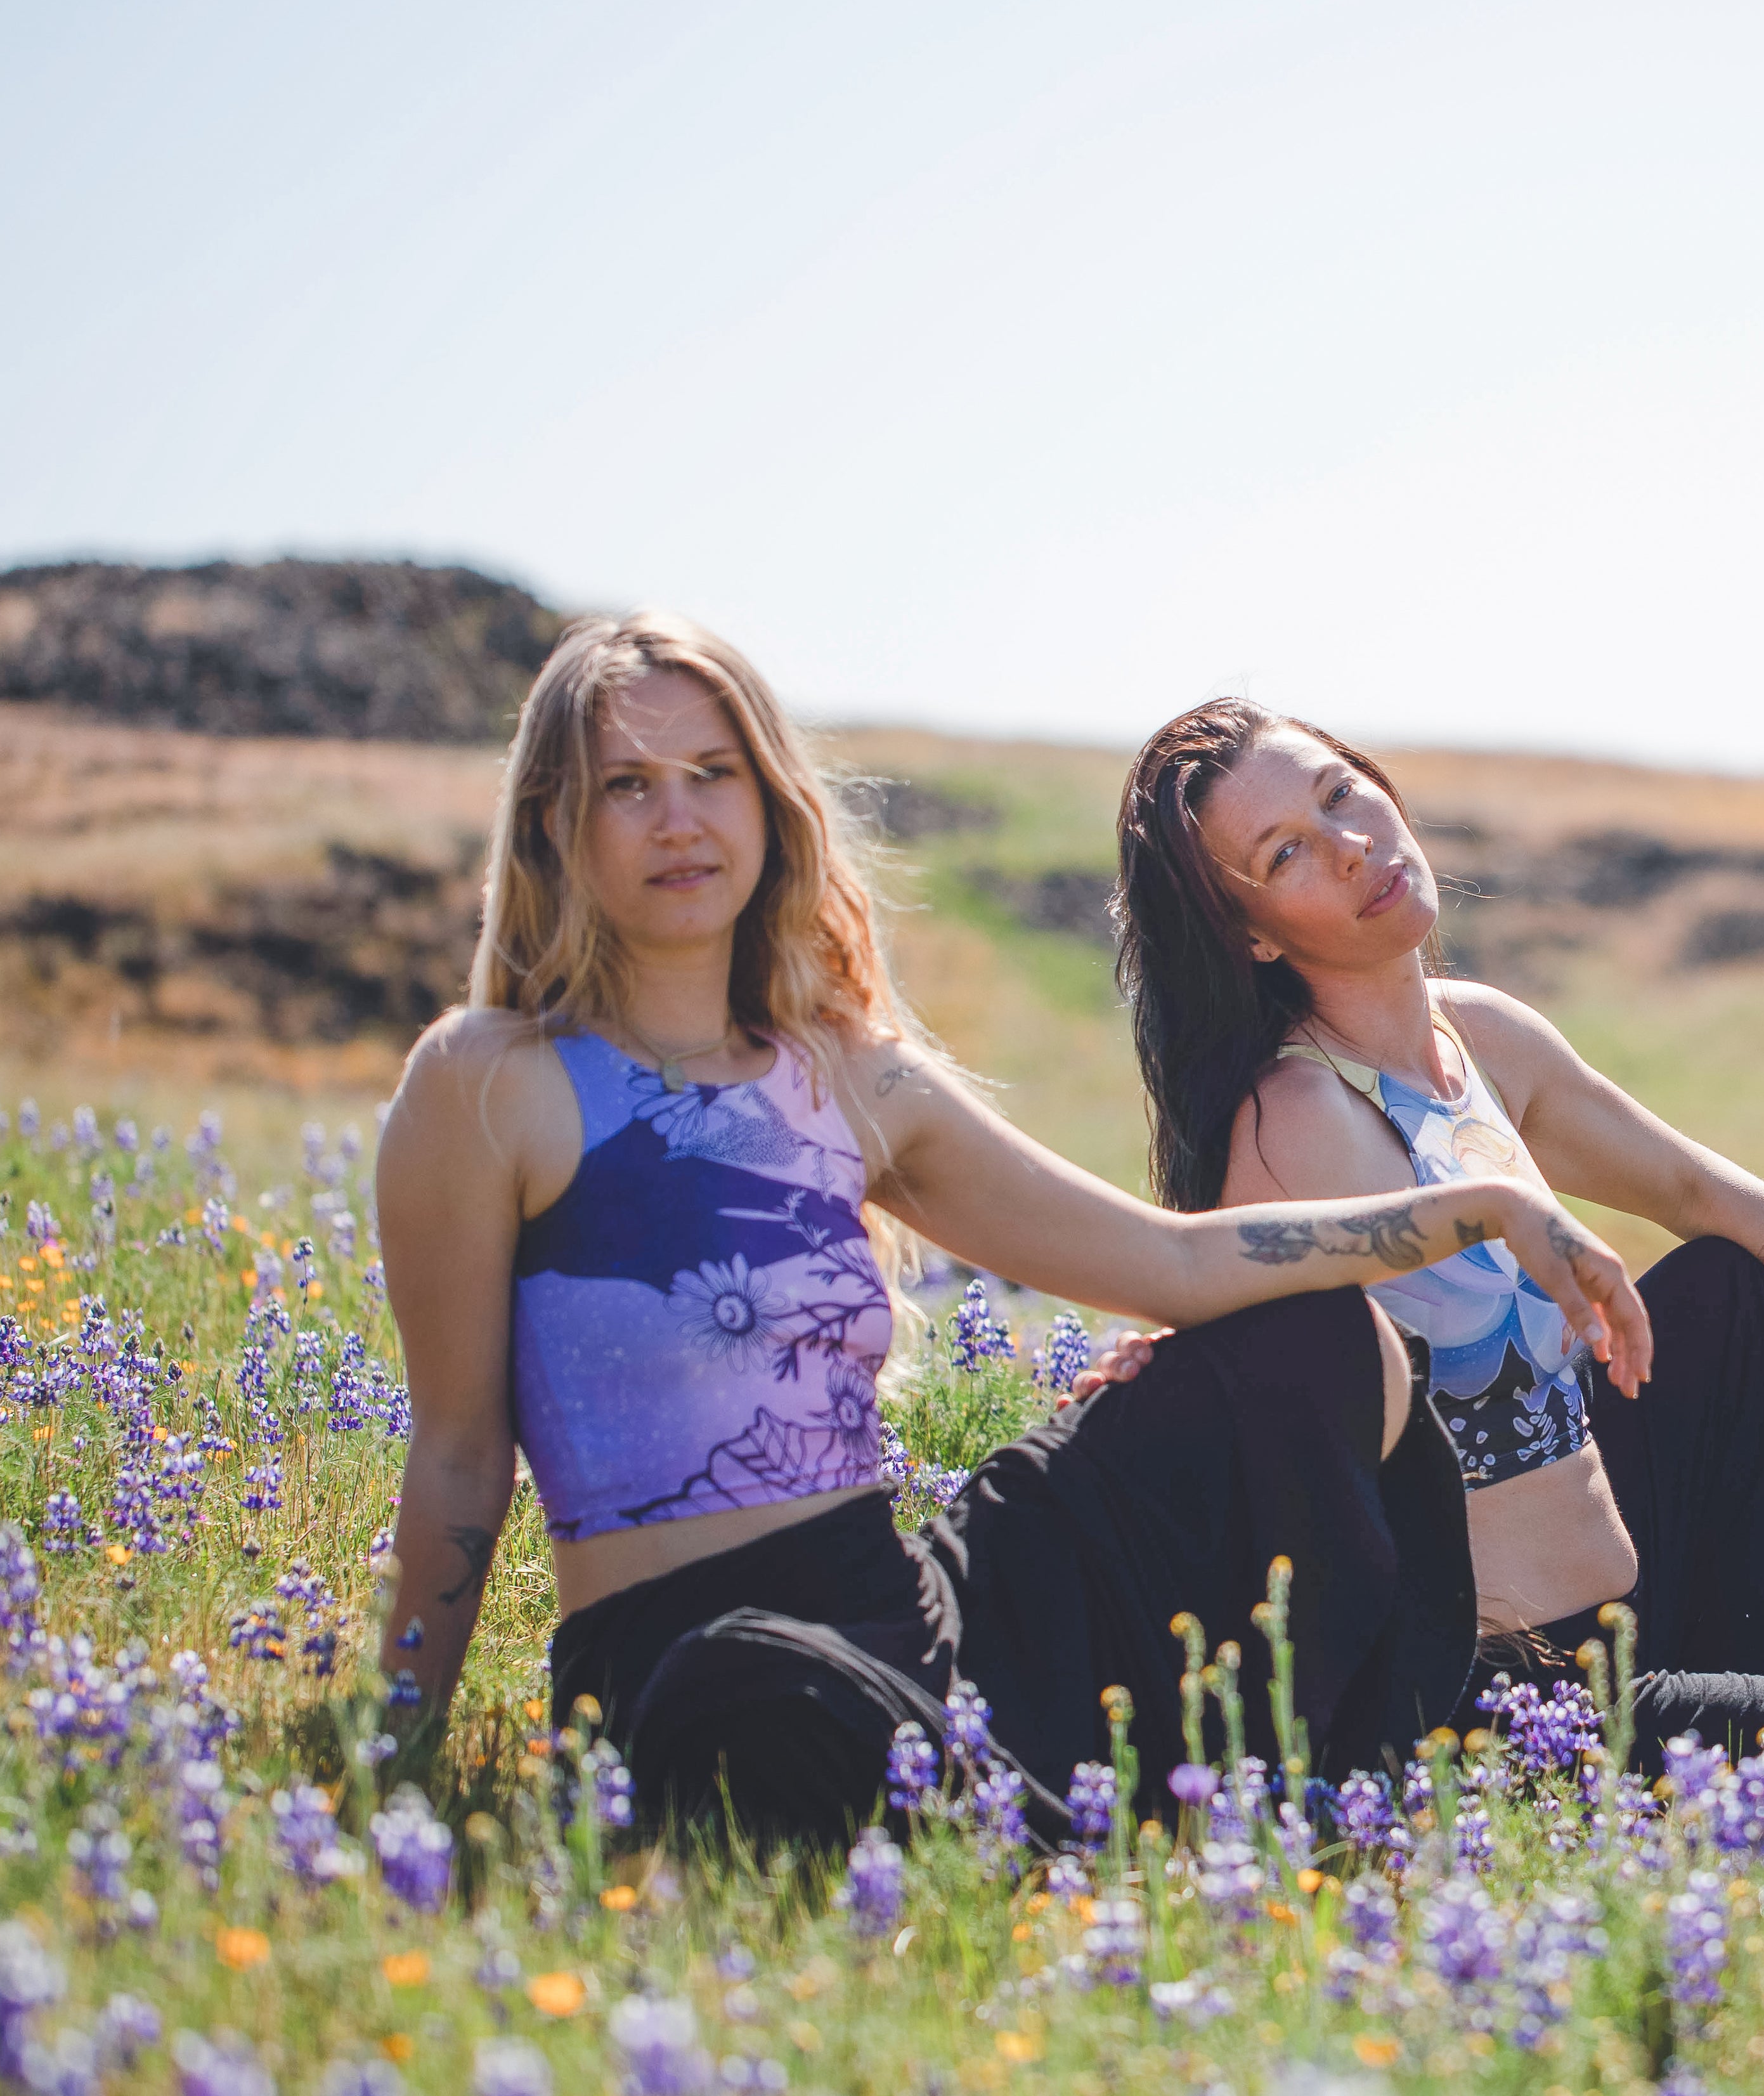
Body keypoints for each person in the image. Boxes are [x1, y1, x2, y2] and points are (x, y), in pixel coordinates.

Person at [373, 614, 1651, 1845]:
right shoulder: (490, 1082)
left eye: (714, 773)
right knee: (762, 1704)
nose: (679, 817)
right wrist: (401, 1749)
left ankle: (1331, 1787)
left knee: (1316, 1337)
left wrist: (1473, 1207)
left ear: (769, 804)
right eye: (626, 785)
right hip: (681, 1660)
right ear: (554, 821)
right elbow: (457, 1453)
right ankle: (1005, 1807)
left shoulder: (852, 1079)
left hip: (907, 1616)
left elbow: (1175, 1260)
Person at [1108, 697, 1764, 1771]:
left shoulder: (1478, 1036)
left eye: (1341, 794)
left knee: (1728, 1289)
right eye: (1286, 852)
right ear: (1248, 932)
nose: (1348, 847)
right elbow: (1247, 1366)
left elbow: (1699, 1190)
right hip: (1507, 1691)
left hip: (1629, 1606)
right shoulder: (1294, 1121)